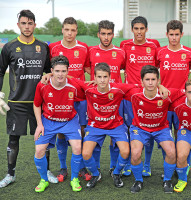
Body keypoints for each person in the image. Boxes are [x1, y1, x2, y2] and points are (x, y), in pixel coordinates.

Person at [0, 9, 57, 189]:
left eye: (30, 23)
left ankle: (46, 172)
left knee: (44, 140)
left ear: (34, 25)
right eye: (24, 23)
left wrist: (48, 77)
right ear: (18, 25)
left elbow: (48, 70)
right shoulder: (10, 47)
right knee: (13, 139)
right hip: (17, 103)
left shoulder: (43, 47)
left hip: (40, 103)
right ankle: (10, 174)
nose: (27, 27)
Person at [48, 17, 91, 182]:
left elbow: (88, 68)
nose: (70, 33)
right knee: (60, 132)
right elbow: (49, 71)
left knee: (80, 132)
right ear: (62, 30)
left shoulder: (84, 48)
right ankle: (63, 167)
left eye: (73, 30)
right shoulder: (53, 48)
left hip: (79, 97)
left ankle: (80, 167)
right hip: (60, 97)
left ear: (77, 31)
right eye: (67, 29)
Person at [33, 55, 83, 192]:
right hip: (48, 121)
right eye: (57, 71)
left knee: (77, 148)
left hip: (69, 121)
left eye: (63, 71)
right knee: (39, 150)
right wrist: (39, 124)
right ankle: (44, 179)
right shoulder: (42, 85)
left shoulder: (74, 85)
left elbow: (89, 91)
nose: (60, 75)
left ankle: (74, 178)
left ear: (68, 71)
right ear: (51, 71)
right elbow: (36, 104)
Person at [124, 65, 176, 193]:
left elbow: (190, 90)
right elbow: (112, 87)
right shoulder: (134, 93)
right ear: (141, 81)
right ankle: (138, 180)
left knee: (171, 152)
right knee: (135, 154)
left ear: (158, 81)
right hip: (139, 128)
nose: (151, 82)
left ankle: (167, 180)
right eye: (147, 79)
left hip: (161, 128)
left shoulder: (166, 94)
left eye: (153, 79)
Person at [120, 16, 160, 177]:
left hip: (149, 96)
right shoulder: (125, 45)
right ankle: (131, 162)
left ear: (146, 29)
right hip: (130, 97)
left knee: (148, 130)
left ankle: (147, 164)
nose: (139, 32)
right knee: (131, 130)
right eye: (136, 29)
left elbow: (157, 68)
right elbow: (121, 66)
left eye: (141, 28)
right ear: (132, 30)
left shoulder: (154, 45)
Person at [88, 20, 126, 174]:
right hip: (95, 100)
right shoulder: (90, 51)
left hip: (116, 100)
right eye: (103, 33)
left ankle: (113, 166)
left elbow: (125, 69)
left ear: (113, 34)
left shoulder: (121, 52)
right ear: (98, 34)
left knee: (114, 133)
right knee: (95, 133)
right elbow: (86, 68)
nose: (106, 37)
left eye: (109, 34)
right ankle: (95, 166)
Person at [156, 20, 191, 168]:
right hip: (164, 100)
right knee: (165, 135)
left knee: (182, 135)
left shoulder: (189, 52)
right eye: (171, 34)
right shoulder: (160, 52)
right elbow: (152, 73)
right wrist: (159, 85)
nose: (173, 38)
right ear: (166, 34)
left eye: (176, 34)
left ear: (181, 34)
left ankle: (185, 165)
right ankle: (169, 164)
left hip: (182, 101)